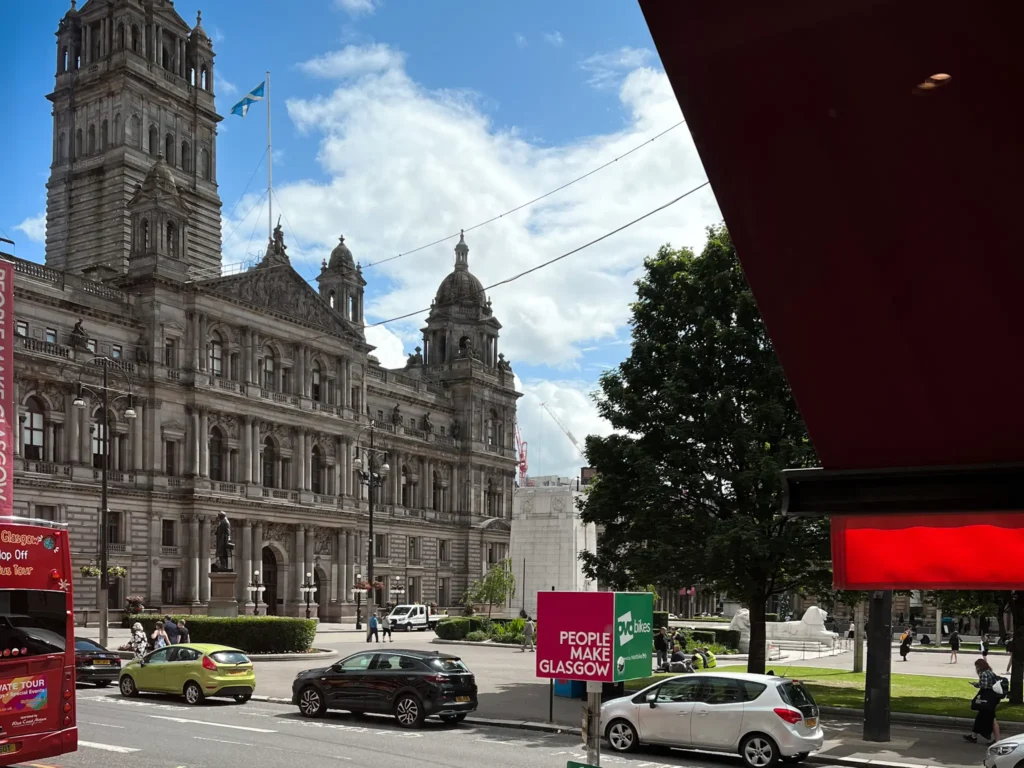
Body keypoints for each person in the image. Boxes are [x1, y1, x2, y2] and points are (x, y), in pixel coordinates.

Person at [964, 659, 1001, 744]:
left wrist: (976, 684)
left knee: (989, 718)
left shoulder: (984, 673)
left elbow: (984, 686)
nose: (977, 669)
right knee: (984, 717)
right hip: (993, 698)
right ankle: (974, 736)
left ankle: (995, 739)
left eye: (977, 667)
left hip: (987, 698)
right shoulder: (990, 672)